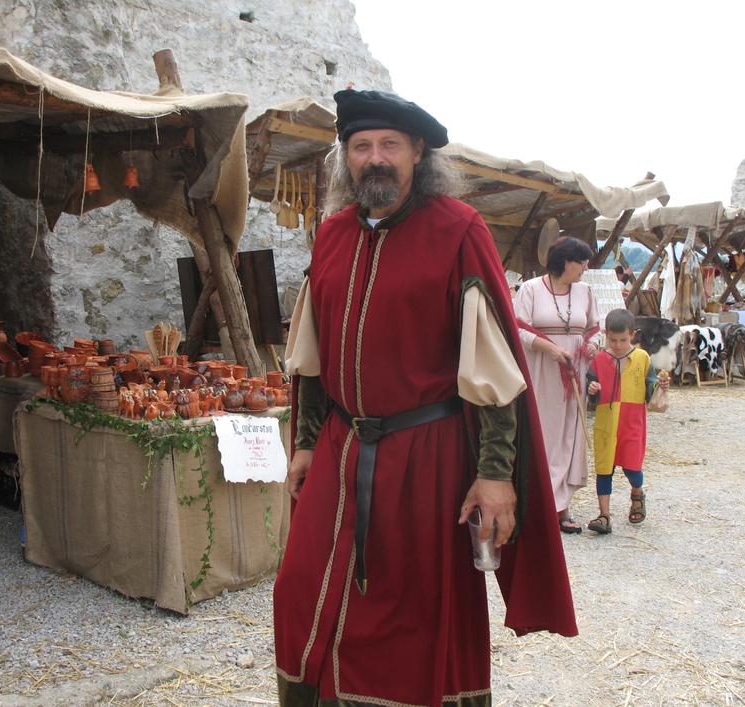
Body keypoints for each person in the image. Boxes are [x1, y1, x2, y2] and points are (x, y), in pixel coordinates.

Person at [274, 89, 576, 707]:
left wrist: (495, 474)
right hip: (341, 447)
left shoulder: (457, 231)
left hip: (426, 458)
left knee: (410, 619)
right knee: (301, 592)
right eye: (361, 146)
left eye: (389, 144)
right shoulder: (330, 236)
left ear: (417, 152)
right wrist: (306, 443)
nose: (375, 158)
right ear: (346, 157)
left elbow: (492, 367)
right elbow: (311, 352)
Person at [514, 237, 600, 534]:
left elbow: (595, 328)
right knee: (543, 435)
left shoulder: (585, 292)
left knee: (568, 437)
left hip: (574, 374)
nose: (585, 268)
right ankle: (537, 505)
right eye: (582, 262)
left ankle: (561, 507)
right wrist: (549, 348)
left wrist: (592, 346)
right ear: (566, 261)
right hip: (540, 372)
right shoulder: (530, 289)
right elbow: (517, 327)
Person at [585, 309, 669, 533]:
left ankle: (637, 492)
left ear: (632, 334)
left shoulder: (642, 358)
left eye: (623, 340)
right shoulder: (599, 359)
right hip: (606, 424)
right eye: (613, 340)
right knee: (604, 469)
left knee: (633, 468)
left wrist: (659, 387)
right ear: (606, 334)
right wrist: (591, 388)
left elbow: (650, 387)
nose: (618, 345)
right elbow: (590, 389)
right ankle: (604, 515)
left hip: (632, 423)